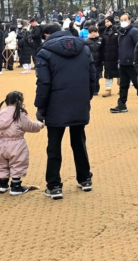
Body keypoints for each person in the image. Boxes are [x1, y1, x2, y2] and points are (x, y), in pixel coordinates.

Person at [34, 23, 97, 200]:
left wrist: (40, 107)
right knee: (79, 141)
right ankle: (85, 178)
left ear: (47, 35)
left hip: (55, 103)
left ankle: (54, 185)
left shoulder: (44, 52)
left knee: (54, 145)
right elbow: (93, 76)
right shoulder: (84, 48)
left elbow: (43, 83)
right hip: (79, 99)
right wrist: (86, 97)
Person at [0, 90, 44, 196]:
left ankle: (2, 184)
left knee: (2, 164)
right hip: (17, 143)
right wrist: (40, 125)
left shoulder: (0, 113)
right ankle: (16, 186)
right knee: (18, 163)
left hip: (1, 143)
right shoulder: (19, 114)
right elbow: (30, 126)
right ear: (20, 101)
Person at [111, 13, 138, 113]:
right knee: (123, 85)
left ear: (130, 20)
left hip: (132, 63)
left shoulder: (134, 31)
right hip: (122, 62)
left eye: (125, 19)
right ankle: (122, 104)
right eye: (122, 20)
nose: (123, 22)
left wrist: (137, 60)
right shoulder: (121, 32)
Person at [100, 16, 120, 97]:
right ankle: (108, 90)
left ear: (112, 21)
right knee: (108, 73)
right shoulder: (104, 31)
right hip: (107, 56)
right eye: (105, 22)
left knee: (119, 73)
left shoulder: (118, 30)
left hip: (116, 56)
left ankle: (121, 89)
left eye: (108, 21)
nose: (106, 23)